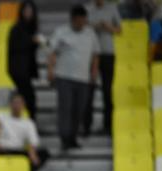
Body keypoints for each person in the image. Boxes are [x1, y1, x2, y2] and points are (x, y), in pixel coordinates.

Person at [48, 5, 100, 151]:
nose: (80, 23)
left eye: (83, 20)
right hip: (64, 76)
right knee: (66, 108)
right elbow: (52, 52)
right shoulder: (61, 32)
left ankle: (73, 137)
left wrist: (94, 71)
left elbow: (96, 54)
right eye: (77, 21)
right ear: (72, 19)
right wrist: (50, 70)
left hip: (83, 78)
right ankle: (64, 138)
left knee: (79, 109)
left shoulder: (90, 34)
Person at [85, 0, 121, 134]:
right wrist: (95, 26)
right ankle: (87, 125)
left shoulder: (112, 8)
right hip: (90, 54)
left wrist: (107, 27)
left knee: (107, 90)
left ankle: (108, 125)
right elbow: (82, 28)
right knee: (89, 90)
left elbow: (119, 30)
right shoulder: (87, 9)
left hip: (108, 53)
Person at [0, 92, 50, 170]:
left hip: (18, 151)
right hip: (2, 150)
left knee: (43, 153)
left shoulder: (28, 123)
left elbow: (33, 142)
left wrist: (32, 154)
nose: (17, 105)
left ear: (23, 105)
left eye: (19, 103)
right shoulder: (0, 117)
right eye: (14, 103)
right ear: (10, 104)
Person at [8, 1, 42, 120]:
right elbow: (15, 48)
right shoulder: (16, 29)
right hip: (18, 70)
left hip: (27, 70)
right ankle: (29, 122)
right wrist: (31, 41)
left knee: (29, 98)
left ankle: (27, 122)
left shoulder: (32, 29)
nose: (28, 13)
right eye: (26, 11)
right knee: (29, 98)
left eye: (30, 11)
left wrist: (36, 43)